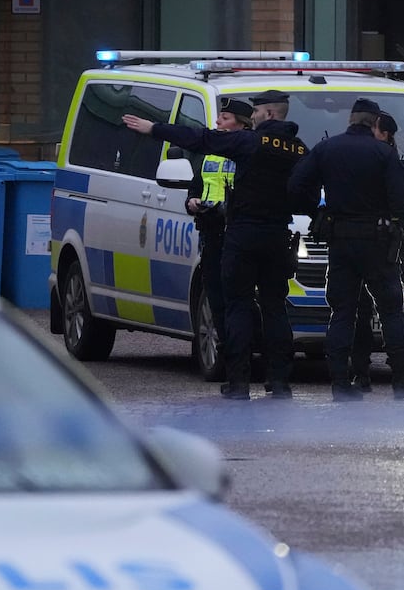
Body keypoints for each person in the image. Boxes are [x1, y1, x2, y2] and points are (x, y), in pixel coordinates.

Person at [123, 90, 308, 400]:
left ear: (270, 114)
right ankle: (279, 383)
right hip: (278, 234)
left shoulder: (249, 142)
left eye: (257, 111)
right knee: (275, 308)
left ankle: (238, 384)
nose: (255, 116)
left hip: (243, 233)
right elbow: (307, 191)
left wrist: (154, 129)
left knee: (237, 305)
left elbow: (199, 139)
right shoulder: (300, 149)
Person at [289, 97, 404, 400]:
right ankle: (401, 381)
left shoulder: (326, 149)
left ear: (350, 120)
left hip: (341, 241)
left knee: (342, 312)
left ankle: (340, 384)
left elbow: (296, 186)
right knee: (391, 310)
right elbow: (401, 201)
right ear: (375, 123)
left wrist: (316, 213)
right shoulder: (384, 153)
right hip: (378, 242)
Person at [186, 96, 256, 383]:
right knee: (216, 297)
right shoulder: (209, 153)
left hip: (240, 233)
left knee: (240, 300)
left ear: (242, 125)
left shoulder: (252, 151)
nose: (217, 123)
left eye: (224, 119)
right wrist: (191, 201)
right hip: (212, 233)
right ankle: (227, 358)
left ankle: (242, 361)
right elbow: (196, 186)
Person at [350, 110, 404, 391]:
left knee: (392, 311)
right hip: (371, 244)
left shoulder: (399, 167)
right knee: (363, 311)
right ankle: (362, 374)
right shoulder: (371, 162)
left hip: (387, 247)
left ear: (385, 134)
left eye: (373, 129)